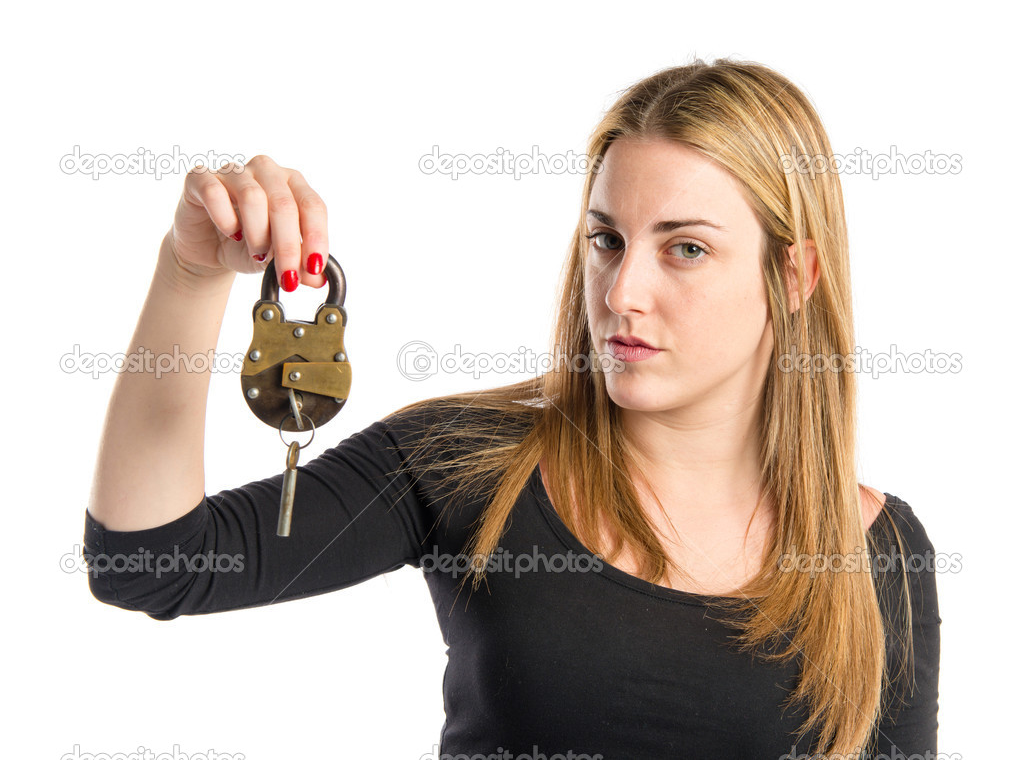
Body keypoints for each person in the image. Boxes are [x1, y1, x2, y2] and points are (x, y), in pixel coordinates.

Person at [84, 58, 940, 759]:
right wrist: (190, 271)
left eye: (685, 248)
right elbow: (152, 562)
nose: (622, 292)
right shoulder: (470, 465)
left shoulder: (879, 554)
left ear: (792, 279)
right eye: (606, 240)